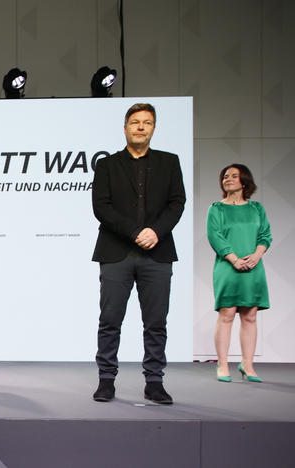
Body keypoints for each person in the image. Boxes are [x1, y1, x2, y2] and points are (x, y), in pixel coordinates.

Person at [91, 103, 186, 404]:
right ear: (125, 128)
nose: (141, 127)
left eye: (147, 122)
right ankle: (106, 380)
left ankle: (154, 381)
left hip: (157, 253)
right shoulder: (107, 165)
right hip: (117, 252)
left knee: (156, 321)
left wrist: (155, 231)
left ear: (154, 128)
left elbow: (177, 203)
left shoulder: (170, 162)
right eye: (135, 122)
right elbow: (101, 207)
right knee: (110, 319)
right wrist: (135, 232)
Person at [208, 164, 271, 383]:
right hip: (228, 265)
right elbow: (215, 236)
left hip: (253, 265)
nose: (228, 179)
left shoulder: (256, 209)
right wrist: (233, 258)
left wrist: (256, 255)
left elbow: (265, 235)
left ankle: (247, 364)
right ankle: (223, 364)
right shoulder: (216, 208)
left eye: (234, 176)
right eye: (225, 176)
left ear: (244, 181)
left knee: (250, 315)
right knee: (226, 313)